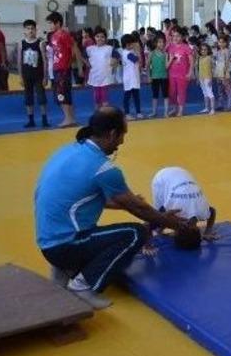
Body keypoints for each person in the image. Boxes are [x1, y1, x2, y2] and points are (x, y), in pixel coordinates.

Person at [35, 107, 191, 309]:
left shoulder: (68, 150)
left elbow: (81, 199)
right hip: (64, 245)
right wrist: (176, 224)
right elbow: (139, 209)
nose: (122, 142)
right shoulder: (103, 168)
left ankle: (63, 269)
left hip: (48, 241)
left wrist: (150, 212)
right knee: (135, 233)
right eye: (122, 135)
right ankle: (83, 286)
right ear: (112, 134)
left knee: (104, 226)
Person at [148, 166, 219, 253]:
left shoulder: (202, 212)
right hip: (162, 179)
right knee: (159, 216)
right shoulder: (175, 209)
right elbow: (151, 221)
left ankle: (159, 228)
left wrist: (208, 231)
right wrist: (147, 246)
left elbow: (212, 211)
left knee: (164, 217)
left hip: (183, 174)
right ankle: (159, 229)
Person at [46, 12, 83, 128]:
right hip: (57, 69)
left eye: (51, 23)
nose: (50, 25)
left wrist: (79, 67)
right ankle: (70, 118)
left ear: (58, 23)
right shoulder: (53, 36)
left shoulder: (64, 35)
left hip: (63, 69)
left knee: (62, 94)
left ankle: (69, 118)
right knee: (61, 93)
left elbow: (75, 49)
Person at [17, 19, 49, 128]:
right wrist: (20, 76)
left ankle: (44, 119)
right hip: (26, 75)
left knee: (41, 97)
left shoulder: (40, 43)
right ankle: (31, 120)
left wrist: (46, 76)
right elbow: (19, 61)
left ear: (36, 30)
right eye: (28, 29)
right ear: (24, 31)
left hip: (38, 76)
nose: (30, 31)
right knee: (28, 97)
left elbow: (45, 61)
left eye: (32, 29)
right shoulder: (21, 43)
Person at [85, 28, 115, 110]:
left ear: (105, 38)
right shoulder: (90, 49)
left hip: (105, 77)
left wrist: (114, 62)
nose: (100, 38)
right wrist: (87, 63)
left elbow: (117, 56)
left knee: (105, 97)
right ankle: (98, 115)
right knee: (96, 97)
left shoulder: (109, 48)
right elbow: (83, 56)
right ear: (94, 37)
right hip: (95, 76)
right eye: (97, 36)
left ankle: (105, 116)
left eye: (102, 37)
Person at [166, 28, 193, 117]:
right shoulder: (171, 47)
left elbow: (191, 61)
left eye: (177, 36)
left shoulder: (186, 47)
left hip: (182, 74)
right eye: (174, 36)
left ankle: (181, 110)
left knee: (181, 92)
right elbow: (169, 60)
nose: (175, 38)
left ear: (182, 37)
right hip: (172, 74)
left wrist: (190, 72)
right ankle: (174, 108)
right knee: (172, 92)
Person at [120, 34, 143, 120]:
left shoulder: (131, 52)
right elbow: (137, 59)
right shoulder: (127, 53)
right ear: (125, 45)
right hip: (129, 79)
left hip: (134, 78)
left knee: (136, 96)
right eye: (130, 44)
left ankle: (138, 112)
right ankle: (127, 113)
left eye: (132, 43)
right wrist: (138, 51)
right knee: (127, 97)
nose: (132, 45)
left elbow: (139, 63)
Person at [147, 35, 169, 118]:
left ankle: (166, 112)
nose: (161, 44)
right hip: (155, 77)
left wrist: (170, 59)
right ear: (156, 43)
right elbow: (147, 66)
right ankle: (154, 112)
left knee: (165, 95)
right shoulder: (151, 53)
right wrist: (149, 76)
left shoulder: (166, 54)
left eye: (163, 42)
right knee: (155, 95)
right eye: (159, 42)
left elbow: (167, 66)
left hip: (164, 77)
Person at [214, 35, 231, 110]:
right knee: (220, 89)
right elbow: (217, 62)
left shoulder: (227, 51)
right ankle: (220, 105)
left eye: (223, 42)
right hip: (218, 71)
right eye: (219, 42)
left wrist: (224, 73)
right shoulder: (218, 52)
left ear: (226, 43)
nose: (221, 44)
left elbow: (227, 62)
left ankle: (229, 105)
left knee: (227, 89)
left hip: (225, 72)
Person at [196, 43, 215, 115]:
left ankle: (212, 109)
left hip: (207, 78)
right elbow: (198, 68)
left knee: (210, 93)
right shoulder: (199, 58)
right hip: (201, 78)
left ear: (208, 50)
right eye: (202, 50)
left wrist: (211, 78)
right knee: (205, 93)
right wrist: (198, 78)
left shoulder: (209, 58)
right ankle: (207, 108)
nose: (203, 51)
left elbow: (213, 68)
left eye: (205, 50)